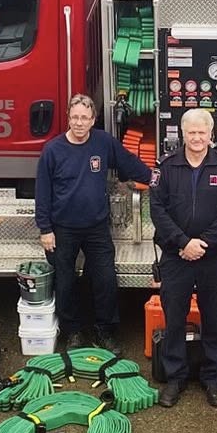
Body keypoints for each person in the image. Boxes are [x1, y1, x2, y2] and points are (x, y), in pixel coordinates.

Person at [35, 94, 153, 345]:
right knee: (65, 282)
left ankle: (105, 330)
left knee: (105, 279)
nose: (79, 123)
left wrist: (154, 178)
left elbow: (128, 162)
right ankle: (73, 331)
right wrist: (45, 229)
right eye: (75, 117)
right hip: (63, 228)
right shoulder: (53, 150)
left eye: (84, 118)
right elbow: (42, 192)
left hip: (97, 227)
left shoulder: (103, 142)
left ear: (93, 120)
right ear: (67, 118)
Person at [148, 108, 217, 408]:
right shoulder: (167, 166)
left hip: (212, 257)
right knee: (175, 317)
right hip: (176, 256)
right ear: (183, 134)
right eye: (192, 132)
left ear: (211, 135)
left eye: (202, 132)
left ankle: (212, 377)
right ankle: (175, 377)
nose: (197, 138)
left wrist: (205, 243)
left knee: (215, 318)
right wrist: (183, 242)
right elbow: (157, 210)